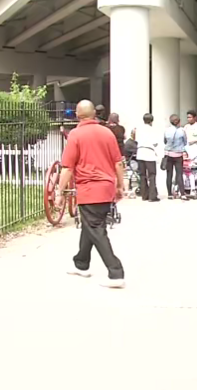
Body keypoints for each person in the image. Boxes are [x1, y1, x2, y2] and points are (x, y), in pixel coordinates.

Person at [56, 100, 126, 289]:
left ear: (77, 115)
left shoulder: (76, 135)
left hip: (89, 189)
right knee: (90, 226)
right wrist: (120, 185)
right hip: (106, 187)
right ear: (94, 113)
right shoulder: (107, 133)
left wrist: (60, 191)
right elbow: (118, 162)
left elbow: (68, 167)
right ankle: (81, 263)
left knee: (95, 228)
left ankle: (115, 272)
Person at [135, 113, 159, 202]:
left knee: (142, 175)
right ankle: (152, 196)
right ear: (152, 121)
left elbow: (136, 140)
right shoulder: (152, 129)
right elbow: (155, 142)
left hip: (140, 152)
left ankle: (144, 195)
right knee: (152, 175)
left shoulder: (139, 129)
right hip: (149, 152)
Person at [164, 114, 188, 200]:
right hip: (178, 155)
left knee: (169, 174)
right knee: (179, 174)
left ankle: (169, 194)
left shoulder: (167, 130)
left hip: (168, 154)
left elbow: (165, 141)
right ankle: (182, 193)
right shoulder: (182, 131)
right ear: (179, 122)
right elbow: (185, 142)